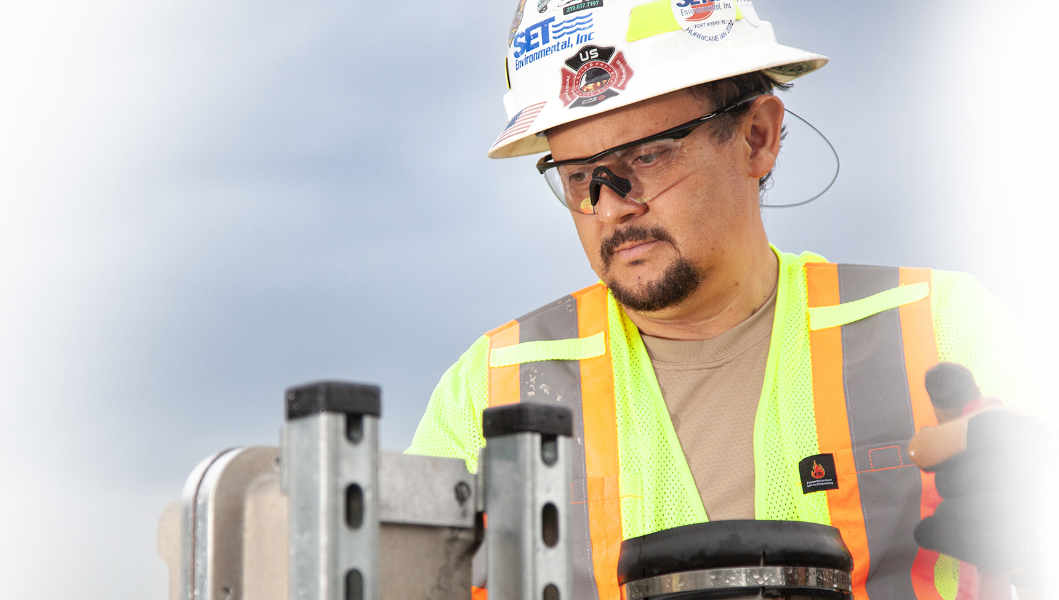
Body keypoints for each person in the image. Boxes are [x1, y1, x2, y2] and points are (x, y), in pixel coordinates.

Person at [407, 2, 1059, 599]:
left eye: (647, 158)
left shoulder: (938, 322)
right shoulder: (490, 387)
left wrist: (1045, 528)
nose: (610, 205)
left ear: (757, 137)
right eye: (580, 177)